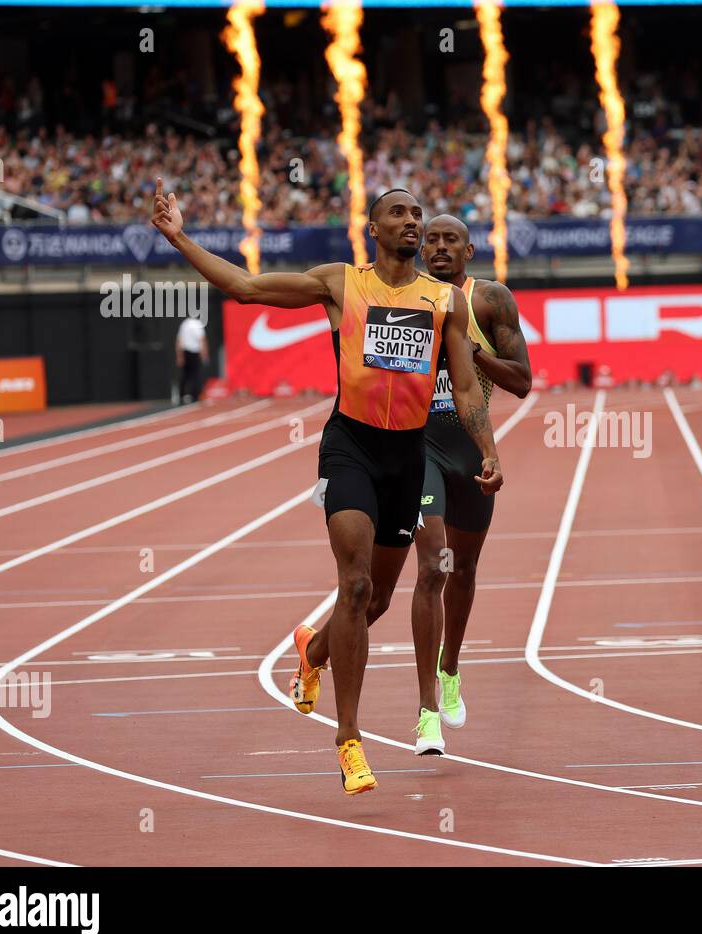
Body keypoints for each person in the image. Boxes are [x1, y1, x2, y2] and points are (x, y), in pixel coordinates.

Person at [150, 180, 503, 795]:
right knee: (356, 580)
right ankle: (349, 741)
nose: (413, 221)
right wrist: (180, 235)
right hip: (352, 447)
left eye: (417, 213)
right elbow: (245, 288)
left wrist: (489, 450)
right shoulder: (342, 283)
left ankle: (312, 654)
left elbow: (469, 389)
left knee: (377, 602)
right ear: (374, 229)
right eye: (398, 213)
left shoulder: (442, 300)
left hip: (407, 456)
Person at [408, 214, 531, 755]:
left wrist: (465, 347)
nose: (437, 248)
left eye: (448, 240)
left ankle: (451, 666)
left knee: (465, 567)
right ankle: (426, 710)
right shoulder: (397, 297)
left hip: (469, 448)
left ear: (469, 251)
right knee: (433, 563)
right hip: (418, 450)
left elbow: (522, 381)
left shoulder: (491, 301)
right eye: (430, 239)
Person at [175, 314, 209, 403]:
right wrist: (204, 354)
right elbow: (202, 340)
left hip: (185, 352)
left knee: (186, 374)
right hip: (195, 352)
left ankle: (181, 395)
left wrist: (180, 356)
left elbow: (179, 341)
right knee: (196, 374)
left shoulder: (184, 324)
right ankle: (195, 395)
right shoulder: (198, 324)